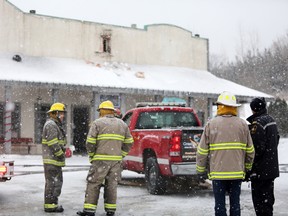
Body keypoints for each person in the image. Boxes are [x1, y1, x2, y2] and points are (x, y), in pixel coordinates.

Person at [196, 91, 255, 216]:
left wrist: (200, 170)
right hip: (237, 173)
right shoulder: (242, 124)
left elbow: (202, 151)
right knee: (235, 205)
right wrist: (247, 168)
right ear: (234, 107)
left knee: (219, 206)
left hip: (218, 174)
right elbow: (250, 151)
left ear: (220, 106)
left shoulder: (211, 125)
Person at [77, 100, 133, 216]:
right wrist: (121, 154)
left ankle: (89, 210)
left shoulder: (97, 123)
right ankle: (110, 210)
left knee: (94, 184)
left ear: (102, 111)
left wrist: (92, 155)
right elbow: (129, 142)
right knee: (111, 185)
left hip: (100, 161)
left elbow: (90, 142)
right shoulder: (122, 124)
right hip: (116, 162)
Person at [246, 97, 279, 216]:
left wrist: (251, 166)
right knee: (268, 201)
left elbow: (257, 148)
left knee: (260, 203)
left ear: (254, 109)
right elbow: (277, 139)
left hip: (261, 170)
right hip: (271, 168)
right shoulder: (271, 120)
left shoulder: (258, 123)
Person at [42, 102, 67, 213]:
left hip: (53, 160)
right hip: (52, 160)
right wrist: (61, 155)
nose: (63, 116)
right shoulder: (51, 125)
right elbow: (53, 143)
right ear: (55, 113)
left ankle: (52, 204)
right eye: (61, 113)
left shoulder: (54, 124)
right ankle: (50, 206)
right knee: (53, 184)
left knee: (55, 183)